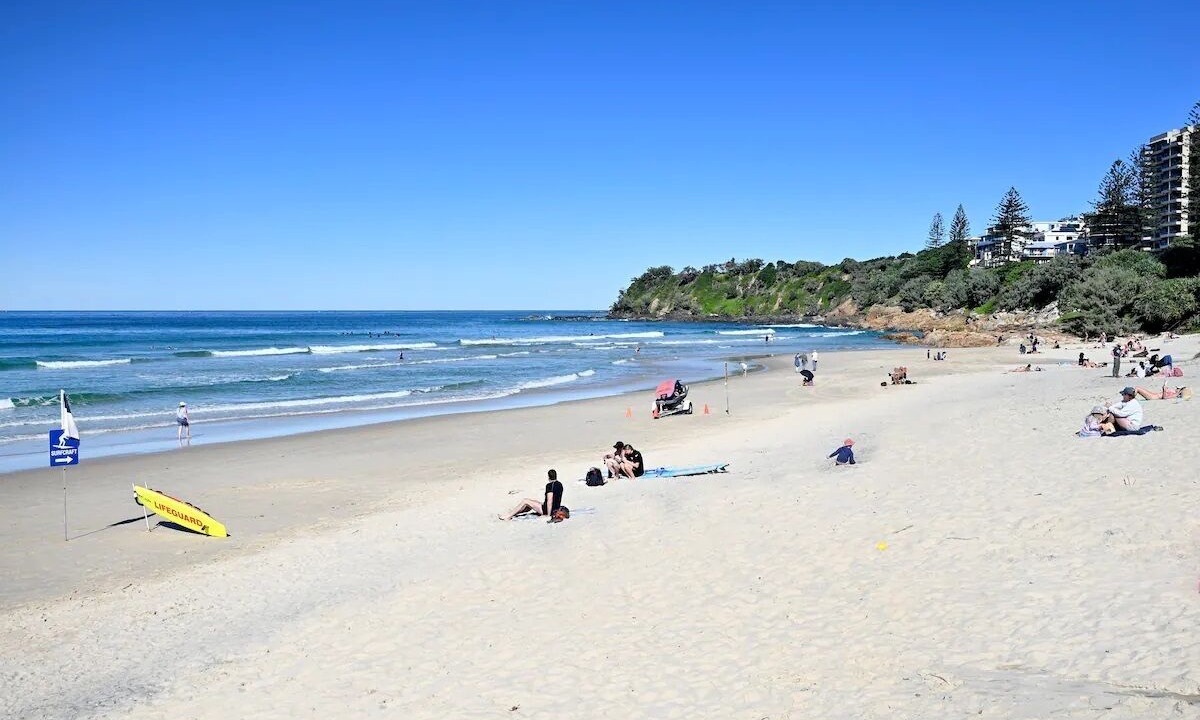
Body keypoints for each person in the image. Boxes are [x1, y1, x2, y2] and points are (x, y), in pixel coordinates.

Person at [499, 469, 565, 521]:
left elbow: (549, 501)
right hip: (556, 508)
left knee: (525, 501)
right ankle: (514, 513)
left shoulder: (550, 485)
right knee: (533, 502)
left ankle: (508, 516)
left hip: (548, 510)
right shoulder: (560, 484)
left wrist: (548, 515)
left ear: (548, 477)